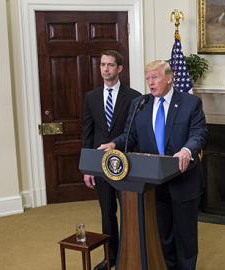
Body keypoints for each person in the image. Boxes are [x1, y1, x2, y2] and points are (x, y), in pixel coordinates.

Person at [99, 60, 207, 270]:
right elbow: (129, 136)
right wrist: (114, 144)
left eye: (155, 77)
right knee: (162, 235)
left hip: (183, 180)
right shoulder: (140, 103)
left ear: (168, 78)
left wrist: (186, 150)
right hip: (153, 182)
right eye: (148, 78)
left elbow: (199, 133)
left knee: (185, 238)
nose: (150, 82)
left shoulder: (190, 103)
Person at [81, 50, 141, 270]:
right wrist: (87, 168)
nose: (105, 69)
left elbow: (136, 133)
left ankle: (130, 255)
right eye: (102, 64)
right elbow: (87, 133)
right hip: (101, 167)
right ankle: (111, 257)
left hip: (126, 165)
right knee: (107, 213)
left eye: (110, 65)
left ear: (120, 69)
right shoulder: (91, 97)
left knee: (129, 213)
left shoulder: (135, 97)